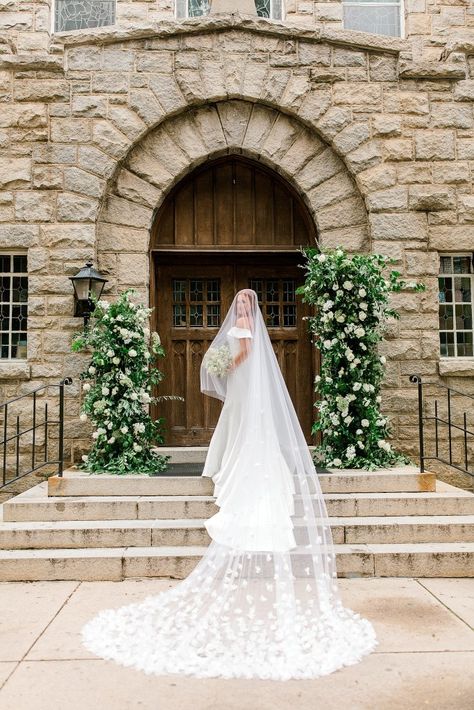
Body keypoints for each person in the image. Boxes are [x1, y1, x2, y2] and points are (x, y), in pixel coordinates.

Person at [80, 288, 378, 680]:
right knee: (238, 426)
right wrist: (226, 362)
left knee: (244, 428)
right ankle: (230, 463)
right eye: (237, 304)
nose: (240, 308)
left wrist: (227, 362)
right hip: (242, 387)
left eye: (244, 304)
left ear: (250, 308)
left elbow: (247, 355)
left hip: (242, 382)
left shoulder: (245, 327)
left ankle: (236, 468)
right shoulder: (241, 324)